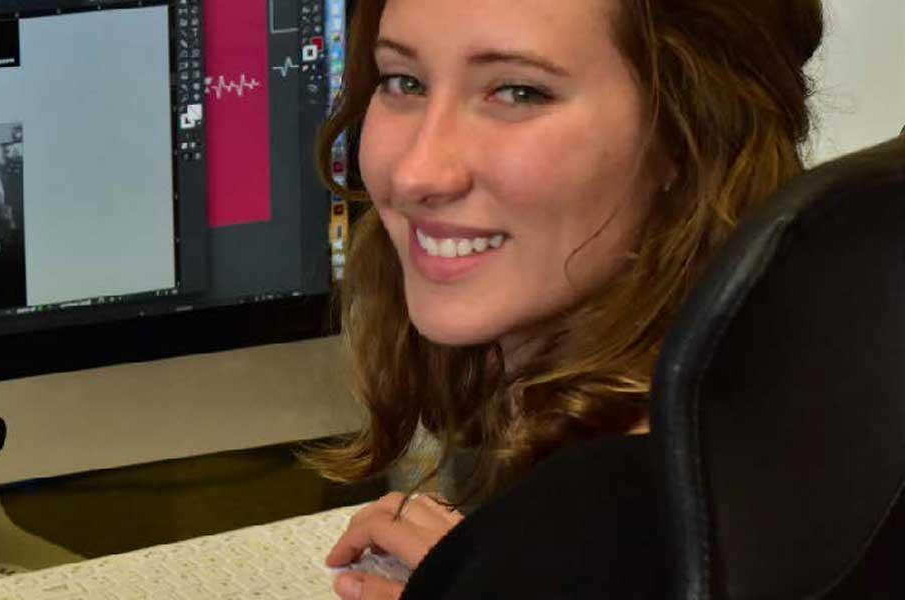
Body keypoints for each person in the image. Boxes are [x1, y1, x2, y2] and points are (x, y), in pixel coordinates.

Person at [307, 0, 824, 598]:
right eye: (404, 82)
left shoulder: (602, 523)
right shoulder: (773, 424)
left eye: (519, 93)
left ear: (690, 134)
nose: (417, 173)